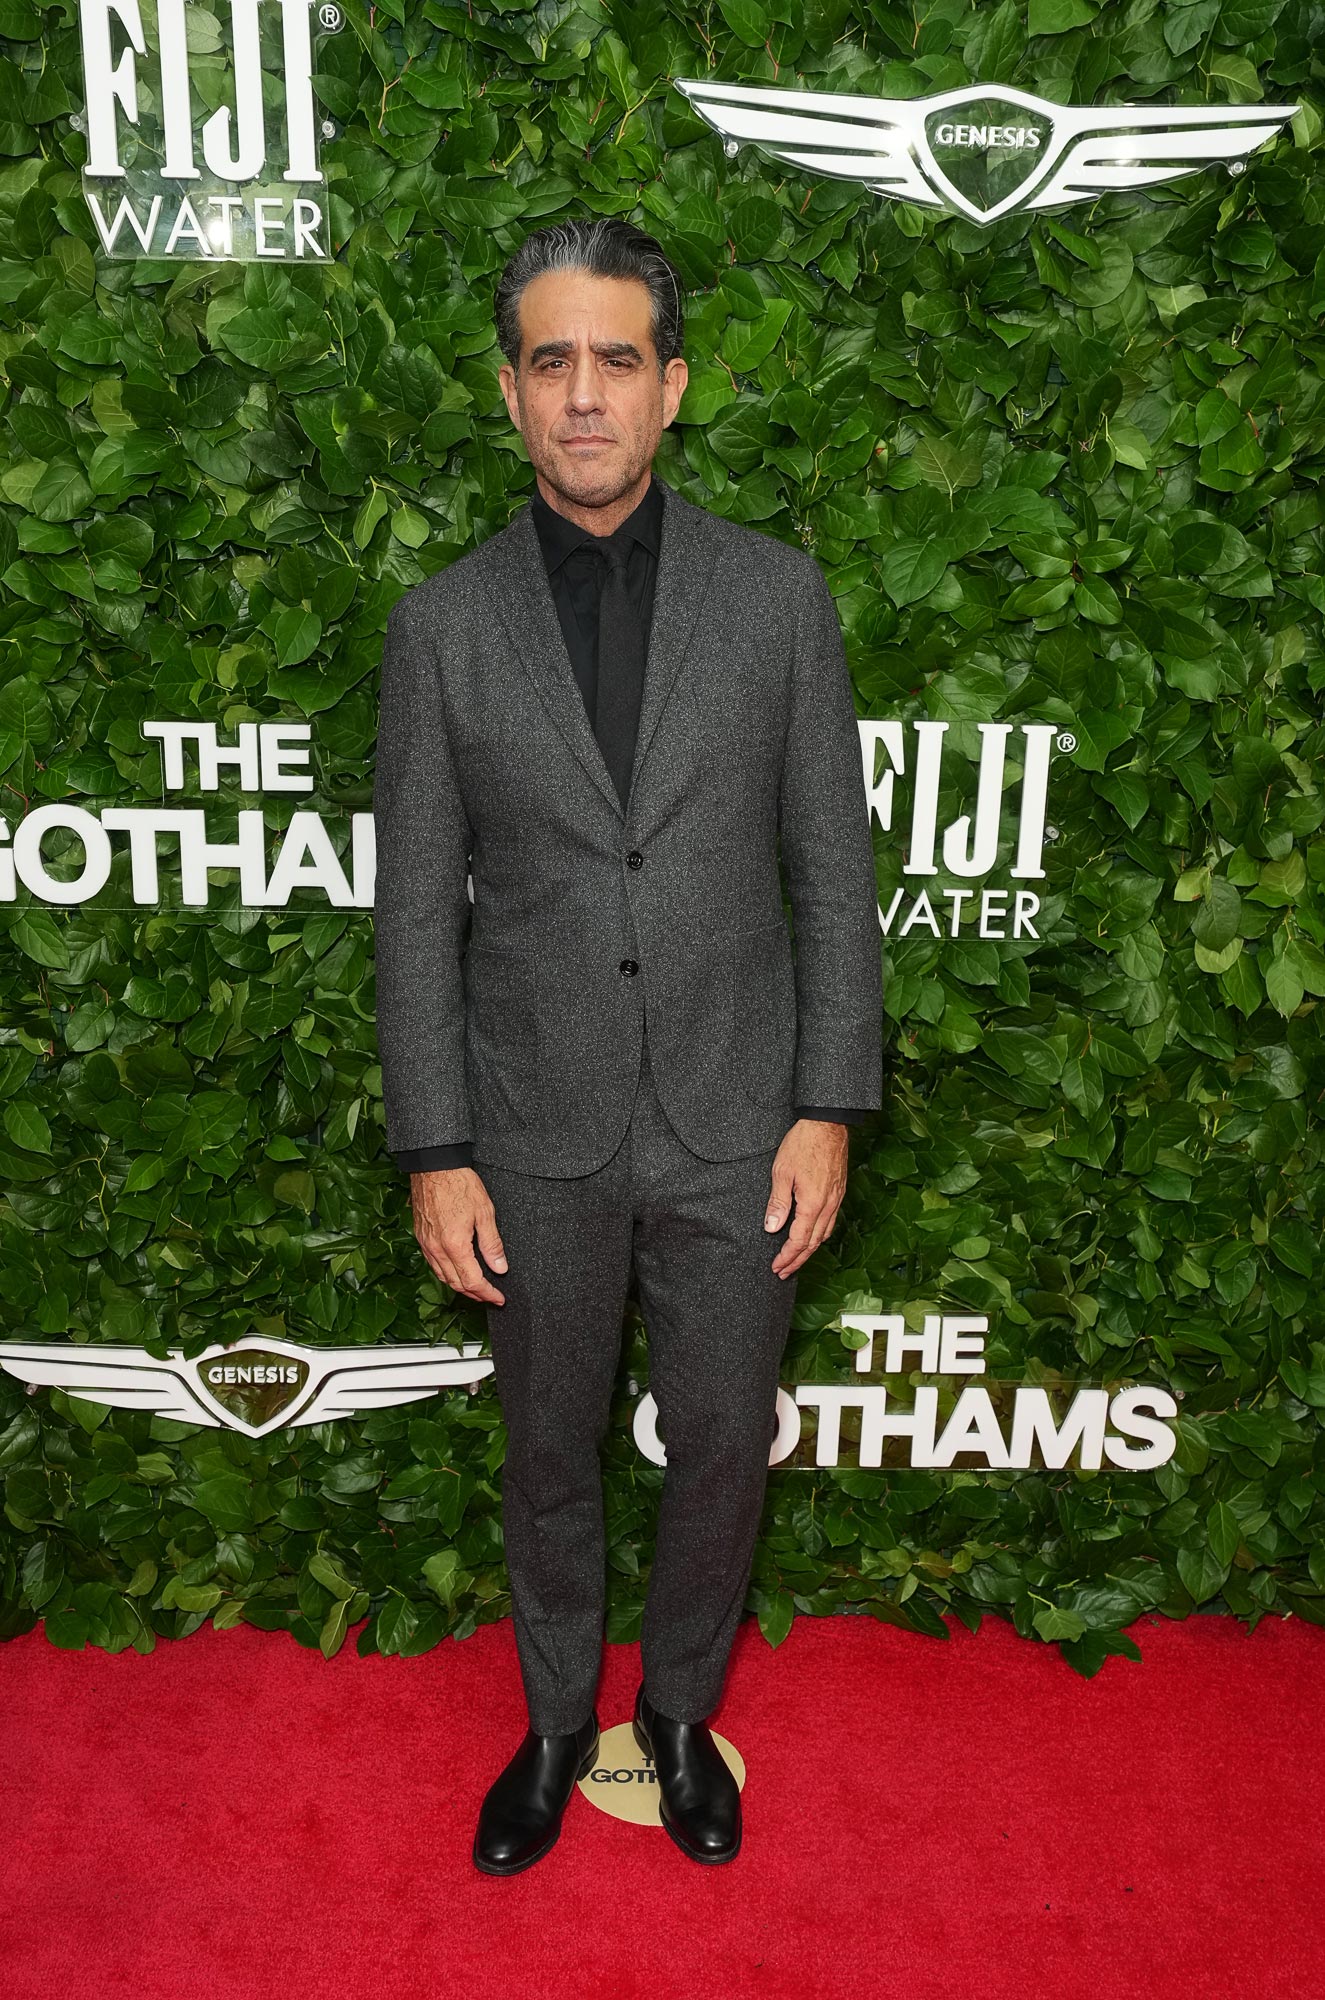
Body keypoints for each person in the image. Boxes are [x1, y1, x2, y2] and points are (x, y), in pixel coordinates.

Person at [371, 216, 882, 1873]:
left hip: (741, 1118)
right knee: (546, 1450)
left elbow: (831, 869)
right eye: (550, 362)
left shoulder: (778, 600)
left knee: (723, 1443)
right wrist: (436, 1147)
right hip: (532, 1125)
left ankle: (673, 1715)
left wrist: (827, 1104)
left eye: (614, 360)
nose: (582, 395)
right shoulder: (442, 627)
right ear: (509, 392)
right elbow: (412, 914)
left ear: (671, 386)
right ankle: (548, 1724)